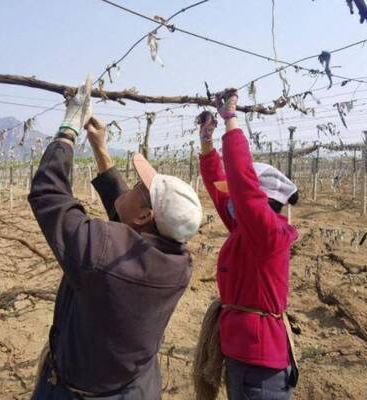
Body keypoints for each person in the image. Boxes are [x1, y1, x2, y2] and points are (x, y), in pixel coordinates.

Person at [28, 84, 203, 400]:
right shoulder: (178, 263)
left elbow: (49, 195)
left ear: (144, 216)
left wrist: (67, 129)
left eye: (138, 186)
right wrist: (100, 148)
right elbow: (129, 224)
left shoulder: (102, 256)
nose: (132, 186)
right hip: (134, 390)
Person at [192, 89, 299, 400]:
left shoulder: (266, 234)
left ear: (261, 201)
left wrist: (232, 121)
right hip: (247, 354)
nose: (233, 202)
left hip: (259, 361)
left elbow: (241, 186)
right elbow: (219, 190)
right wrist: (206, 142)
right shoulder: (246, 231)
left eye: (242, 197)